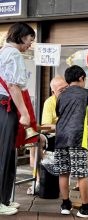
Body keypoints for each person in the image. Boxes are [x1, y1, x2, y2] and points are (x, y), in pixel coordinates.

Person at [54, 65, 88, 218]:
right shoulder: (86, 93)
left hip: (60, 136)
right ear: (82, 78)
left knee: (64, 172)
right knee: (81, 173)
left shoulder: (61, 94)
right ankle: (85, 207)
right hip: (76, 137)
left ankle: (65, 204)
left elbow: (59, 114)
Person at [0, 22, 35, 215]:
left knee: (6, 155)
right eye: (30, 39)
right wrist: (25, 113)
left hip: (3, 106)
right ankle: (0, 201)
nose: (30, 44)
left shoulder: (3, 52)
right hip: (6, 106)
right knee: (4, 155)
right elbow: (13, 86)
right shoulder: (13, 54)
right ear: (22, 37)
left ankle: (4, 199)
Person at [27, 75, 68, 195]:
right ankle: (39, 180)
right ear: (53, 91)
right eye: (61, 90)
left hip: (70, 135)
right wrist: (58, 127)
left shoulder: (73, 100)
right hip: (54, 134)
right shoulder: (50, 102)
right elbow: (46, 127)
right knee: (35, 140)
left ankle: (75, 186)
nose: (65, 91)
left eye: (66, 88)